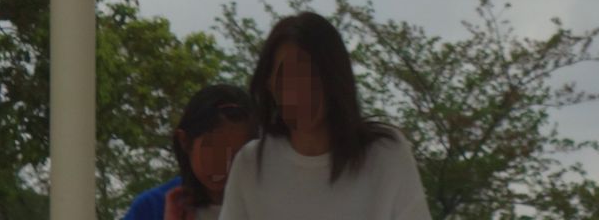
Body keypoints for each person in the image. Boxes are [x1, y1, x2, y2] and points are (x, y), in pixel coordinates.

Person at [217, 12, 429, 220]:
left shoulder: (386, 154)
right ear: (269, 83)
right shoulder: (250, 164)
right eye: (287, 77)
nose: (300, 91)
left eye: (312, 75)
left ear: (334, 80)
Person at [119, 83, 256, 220]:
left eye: (237, 155)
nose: (223, 164)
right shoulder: (151, 208)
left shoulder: (262, 202)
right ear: (184, 141)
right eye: (213, 150)